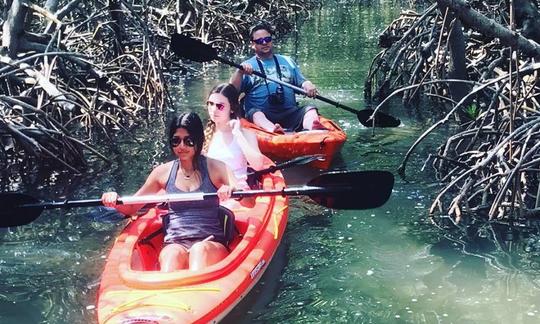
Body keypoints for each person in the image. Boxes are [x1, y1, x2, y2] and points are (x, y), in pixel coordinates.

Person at [101, 112, 249, 272]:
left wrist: (234, 191)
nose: (182, 146)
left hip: (211, 242)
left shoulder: (216, 167)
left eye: (188, 140)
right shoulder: (162, 173)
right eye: (176, 141)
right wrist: (115, 200)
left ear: (198, 141)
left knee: (199, 250)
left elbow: (249, 200)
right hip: (175, 242)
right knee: (171, 254)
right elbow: (131, 208)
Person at [230, 22, 328, 133]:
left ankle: (313, 129)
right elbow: (231, 92)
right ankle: (273, 130)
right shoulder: (246, 66)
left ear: (271, 40)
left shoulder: (287, 61)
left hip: (289, 113)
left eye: (267, 39)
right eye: (259, 41)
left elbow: (301, 82)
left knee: (310, 109)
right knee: (255, 113)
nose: (264, 43)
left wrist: (308, 85)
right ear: (252, 45)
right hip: (262, 116)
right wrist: (239, 72)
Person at [203, 83, 265, 189]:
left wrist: (237, 134)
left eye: (220, 106)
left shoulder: (246, 134)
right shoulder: (204, 135)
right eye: (210, 104)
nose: (213, 110)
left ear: (232, 109)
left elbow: (259, 165)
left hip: (237, 192)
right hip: (212, 190)